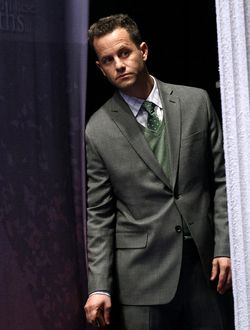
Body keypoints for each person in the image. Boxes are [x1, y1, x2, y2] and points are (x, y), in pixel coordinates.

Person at [84, 13, 234, 330]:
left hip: (206, 268)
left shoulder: (196, 102)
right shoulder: (97, 130)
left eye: (124, 53)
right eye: (108, 60)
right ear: (100, 68)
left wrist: (226, 246)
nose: (119, 64)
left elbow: (223, 181)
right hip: (142, 279)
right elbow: (99, 213)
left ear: (144, 50)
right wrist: (99, 285)